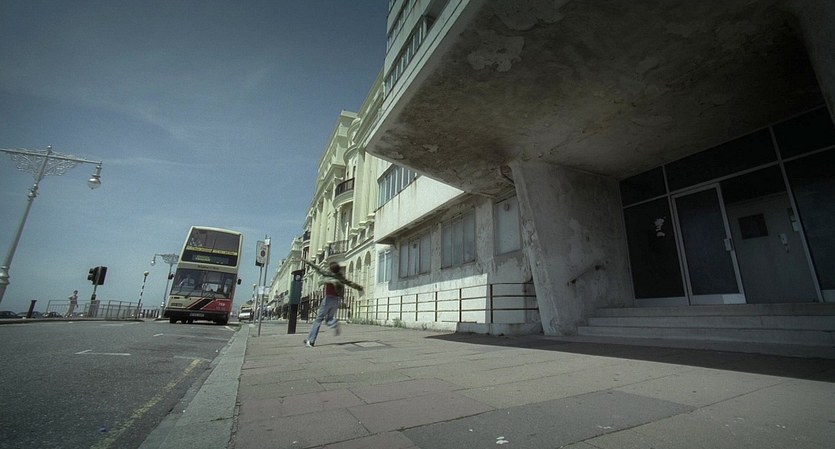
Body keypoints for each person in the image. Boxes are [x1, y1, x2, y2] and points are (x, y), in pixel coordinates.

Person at [303, 260, 363, 347]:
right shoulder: (340, 277)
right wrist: (359, 287)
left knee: (318, 320)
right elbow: (350, 283)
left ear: (331, 269)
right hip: (336, 300)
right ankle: (334, 323)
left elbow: (317, 267)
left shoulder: (328, 274)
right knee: (329, 319)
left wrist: (306, 261)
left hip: (328, 299)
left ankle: (310, 340)